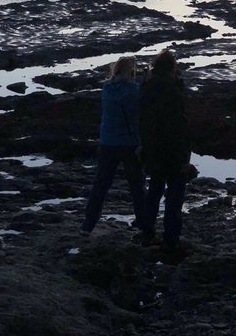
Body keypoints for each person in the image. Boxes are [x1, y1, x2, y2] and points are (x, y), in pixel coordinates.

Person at [82, 55, 145, 234]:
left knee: (100, 185)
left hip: (107, 141)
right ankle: (142, 221)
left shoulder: (107, 88)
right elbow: (135, 119)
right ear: (131, 71)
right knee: (137, 185)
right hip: (129, 144)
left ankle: (88, 224)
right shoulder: (134, 91)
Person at [139, 49, 192, 250]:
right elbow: (177, 127)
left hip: (152, 150)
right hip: (172, 152)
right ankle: (171, 238)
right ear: (172, 68)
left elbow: (144, 121)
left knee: (154, 191)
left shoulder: (145, 89)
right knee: (174, 196)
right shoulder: (172, 93)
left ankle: (147, 232)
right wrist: (183, 159)